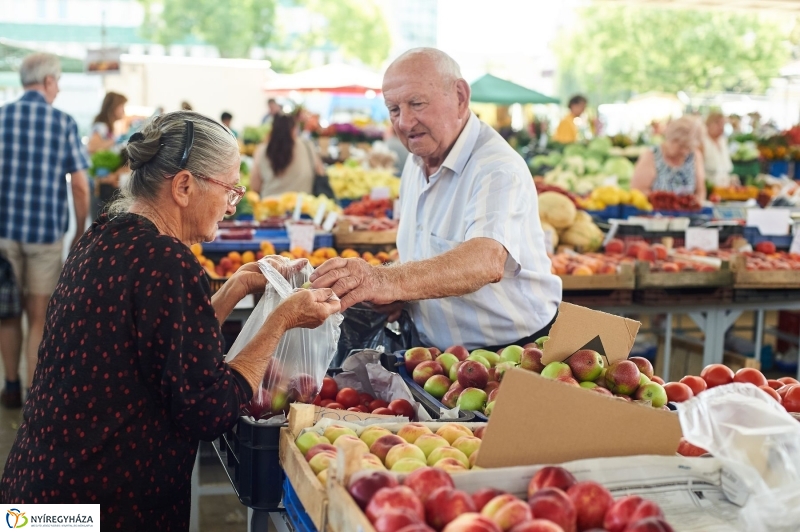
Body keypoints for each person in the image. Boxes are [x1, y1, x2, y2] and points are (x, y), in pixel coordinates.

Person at [0, 110, 341, 529]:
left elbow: (165, 343)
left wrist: (232, 288)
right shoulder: (167, 261)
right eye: (230, 190)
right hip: (104, 506)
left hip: (37, 499)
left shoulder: (105, 233)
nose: (231, 205)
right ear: (183, 186)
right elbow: (208, 409)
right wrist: (282, 320)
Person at [311, 48, 562, 351]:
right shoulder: (417, 161)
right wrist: (399, 297)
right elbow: (423, 252)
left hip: (513, 354)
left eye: (416, 103)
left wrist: (385, 280)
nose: (404, 122)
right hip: (432, 353)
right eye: (394, 109)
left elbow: (485, 260)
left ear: (459, 97)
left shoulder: (496, 167)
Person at [0, 53, 90, 407]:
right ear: (49, 81)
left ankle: (9, 385)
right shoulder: (62, 122)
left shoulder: (2, 118)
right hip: (45, 237)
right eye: (58, 83)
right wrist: (80, 232)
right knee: (39, 316)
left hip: (3, 237)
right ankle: (32, 395)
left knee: (7, 313)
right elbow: (80, 186)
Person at [631, 116, 706, 204]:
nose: (685, 151)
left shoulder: (695, 156)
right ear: (671, 138)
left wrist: (696, 203)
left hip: (687, 215)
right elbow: (637, 192)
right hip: (655, 215)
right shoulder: (651, 155)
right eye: (681, 146)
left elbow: (700, 191)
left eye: (689, 148)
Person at [250, 113, 323, 197]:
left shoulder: (262, 150)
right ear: (294, 129)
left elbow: (255, 187)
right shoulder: (307, 146)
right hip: (302, 206)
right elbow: (320, 173)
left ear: (272, 129)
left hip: (269, 206)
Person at [88, 91, 128, 213]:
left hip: (105, 184)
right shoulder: (101, 127)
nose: (123, 111)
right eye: (122, 106)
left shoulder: (108, 128)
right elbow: (91, 147)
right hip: (100, 185)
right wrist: (114, 141)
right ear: (114, 107)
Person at [701, 112, 733, 187]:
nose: (721, 127)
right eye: (718, 124)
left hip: (725, 188)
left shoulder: (723, 141)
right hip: (709, 188)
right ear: (708, 124)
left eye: (723, 124)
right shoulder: (702, 142)